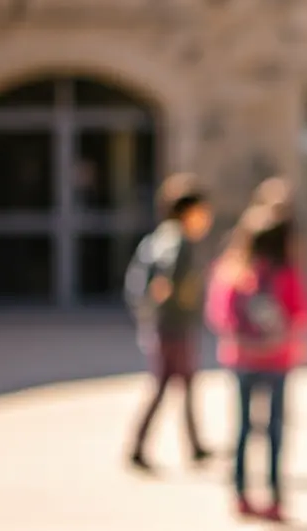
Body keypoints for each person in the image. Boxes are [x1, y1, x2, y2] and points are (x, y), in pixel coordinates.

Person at [207, 204, 307, 522]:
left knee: (242, 428)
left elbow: (219, 316)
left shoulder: (233, 271)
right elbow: (302, 315)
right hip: (278, 360)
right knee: (275, 430)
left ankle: (240, 492)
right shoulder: (287, 273)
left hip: (241, 359)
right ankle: (275, 495)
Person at [123, 174, 215, 472]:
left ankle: (194, 445)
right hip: (173, 326)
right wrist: (170, 298)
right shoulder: (178, 241)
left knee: (181, 384)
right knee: (166, 385)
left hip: (165, 324)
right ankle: (139, 446)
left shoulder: (158, 237)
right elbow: (165, 279)